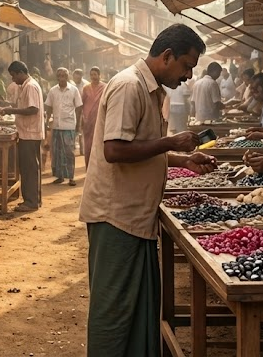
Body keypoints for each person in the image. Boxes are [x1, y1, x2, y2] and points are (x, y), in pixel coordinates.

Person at [79, 24, 217, 356]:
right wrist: (172, 142)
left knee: (137, 308)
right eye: (186, 66)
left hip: (135, 216)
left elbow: (142, 148)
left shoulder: (150, 89)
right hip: (116, 217)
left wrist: (182, 159)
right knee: (114, 312)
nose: (187, 75)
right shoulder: (130, 86)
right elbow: (115, 150)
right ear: (167, 56)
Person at [0, 61, 43, 212]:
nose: (13, 79)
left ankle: (31, 202)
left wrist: (12, 111)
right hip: (27, 132)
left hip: (30, 133)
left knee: (29, 168)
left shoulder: (30, 86)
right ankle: (32, 199)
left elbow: (32, 109)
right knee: (28, 168)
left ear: (20, 73)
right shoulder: (26, 86)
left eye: (13, 76)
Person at [45, 67, 83, 186]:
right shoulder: (52, 91)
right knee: (57, 152)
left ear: (67, 77)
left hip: (69, 126)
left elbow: (79, 108)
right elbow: (49, 107)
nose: (61, 78)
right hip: (56, 125)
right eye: (59, 75)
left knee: (69, 152)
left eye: (63, 76)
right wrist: (47, 121)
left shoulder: (73, 90)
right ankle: (60, 176)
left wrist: (78, 125)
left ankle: (71, 177)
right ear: (57, 77)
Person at [80, 67, 105, 165]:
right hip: (88, 120)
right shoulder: (86, 88)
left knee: (100, 143)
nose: (93, 77)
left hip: (100, 119)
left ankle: (99, 167)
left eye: (95, 74)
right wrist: (82, 119)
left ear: (99, 75)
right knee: (88, 144)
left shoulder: (105, 87)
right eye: (91, 75)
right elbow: (82, 103)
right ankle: (89, 166)